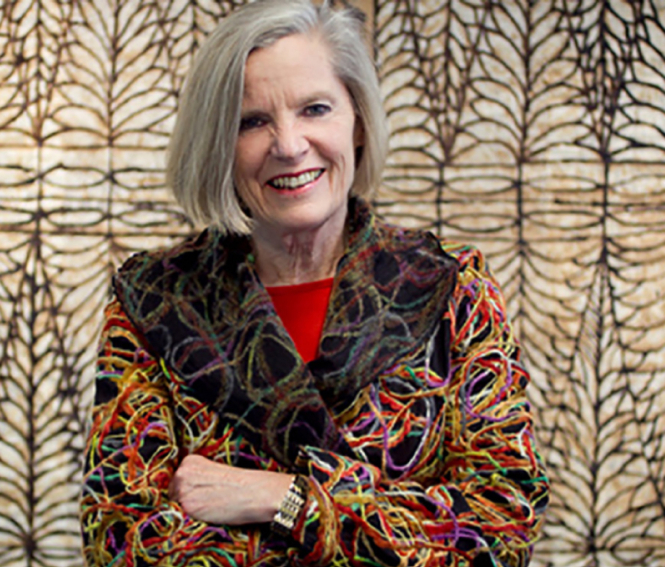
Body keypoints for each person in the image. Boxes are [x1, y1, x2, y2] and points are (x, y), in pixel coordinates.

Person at [79, 0, 549, 565]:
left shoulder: (450, 285)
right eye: (252, 121)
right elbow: (122, 541)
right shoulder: (154, 299)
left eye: (315, 108)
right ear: (218, 145)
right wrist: (382, 519)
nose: (288, 144)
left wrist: (284, 500)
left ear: (357, 124)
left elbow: (500, 524)